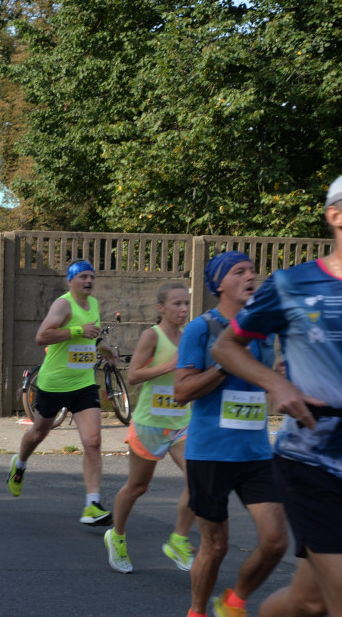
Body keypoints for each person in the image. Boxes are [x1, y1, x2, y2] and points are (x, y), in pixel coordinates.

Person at [213, 175, 342, 617]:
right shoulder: (293, 284)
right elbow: (225, 346)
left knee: (309, 602)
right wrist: (277, 383)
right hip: (314, 455)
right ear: (335, 216)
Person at [173, 251, 287, 617]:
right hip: (209, 453)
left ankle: (234, 601)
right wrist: (225, 364)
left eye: (252, 270)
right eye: (239, 271)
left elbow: (266, 382)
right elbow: (181, 391)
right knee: (216, 546)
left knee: (275, 542)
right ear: (219, 284)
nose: (250, 276)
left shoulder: (264, 330)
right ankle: (197, 611)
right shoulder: (201, 329)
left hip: (256, 453)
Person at [6, 260, 117, 526]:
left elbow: (92, 339)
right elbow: (41, 337)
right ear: (71, 281)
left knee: (93, 441)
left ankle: (92, 504)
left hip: (83, 384)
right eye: (82, 277)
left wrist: (106, 349)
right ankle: (19, 464)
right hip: (53, 384)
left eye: (92, 276)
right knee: (39, 433)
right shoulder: (63, 304)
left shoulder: (94, 305)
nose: (88, 281)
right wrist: (77, 330)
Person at [104, 283, 194, 574]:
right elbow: (134, 376)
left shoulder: (190, 336)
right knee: (137, 487)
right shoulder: (151, 336)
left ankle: (178, 540)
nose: (183, 309)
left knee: (200, 481)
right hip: (150, 424)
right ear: (161, 308)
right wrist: (170, 365)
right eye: (177, 304)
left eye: (186, 304)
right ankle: (116, 536)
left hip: (181, 423)